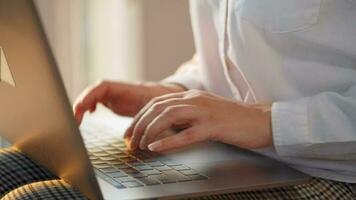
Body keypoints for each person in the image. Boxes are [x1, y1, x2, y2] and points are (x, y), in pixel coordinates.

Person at [73, 0, 356, 199]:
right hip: (234, 159)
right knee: (34, 168)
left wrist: (266, 122)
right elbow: (236, 53)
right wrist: (177, 91)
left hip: (331, 176)